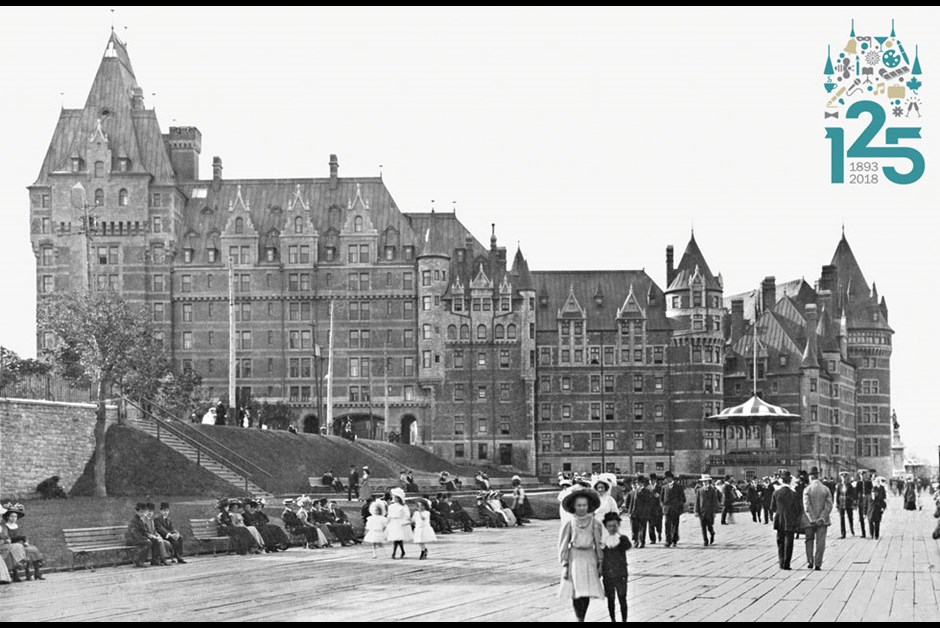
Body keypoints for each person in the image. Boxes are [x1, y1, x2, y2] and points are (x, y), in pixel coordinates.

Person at [558, 486, 605, 623]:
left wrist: (600, 562)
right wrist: (565, 563)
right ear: (574, 506)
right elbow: (563, 543)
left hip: (589, 557)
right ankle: (579, 617)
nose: (582, 508)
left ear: (588, 506)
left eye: (584, 505)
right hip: (575, 557)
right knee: (576, 590)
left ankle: (583, 616)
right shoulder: (570, 522)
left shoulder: (595, 523)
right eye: (579, 505)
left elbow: (599, 543)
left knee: (586, 591)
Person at [601, 511, 631, 623]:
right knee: (610, 599)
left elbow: (628, 546)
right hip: (607, 574)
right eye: (610, 526)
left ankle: (624, 620)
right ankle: (612, 619)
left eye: (615, 525)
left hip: (621, 574)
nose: (612, 528)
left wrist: (618, 535)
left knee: (622, 598)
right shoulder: (603, 541)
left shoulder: (622, 539)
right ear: (605, 526)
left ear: (618, 525)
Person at [802, 467, 833, 571]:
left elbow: (807, 506)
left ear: (810, 477)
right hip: (823, 521)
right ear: (818, 476)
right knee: (821, 541)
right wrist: (822, 518)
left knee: (809, 540)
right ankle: (818, 563)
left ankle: (810, 561)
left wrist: (813, 518)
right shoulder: (825, 489)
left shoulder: (807, 489)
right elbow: (829, 505)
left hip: (809, 521)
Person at [772, 470, 801, 570]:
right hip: (790, 520)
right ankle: (786, 563)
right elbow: (798, 509)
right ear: (790, 481)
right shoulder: (794, 494)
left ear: (781, 481)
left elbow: (772, 508)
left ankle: (781, 562)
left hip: (779, 520)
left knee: (780, 541)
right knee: (789, 542)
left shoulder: (776, 493)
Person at [125, 502, 155, 568]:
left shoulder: (140, 520)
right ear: (136, 511)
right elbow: (134, 534)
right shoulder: (134, 521)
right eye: (141, 512)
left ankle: (155, 559)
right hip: (132, 540)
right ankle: (140, 561)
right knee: (148, 543)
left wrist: (149, 536)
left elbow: (143, 531)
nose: (143, 514)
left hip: (138, 538)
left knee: (152, 540)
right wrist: (145, 538)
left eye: (144, 512)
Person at [629, 476, 655, 548]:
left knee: (642, 528)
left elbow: (649, 503)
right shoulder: (634, 491)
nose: (637, 484)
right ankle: (635, 541)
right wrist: (630, 512)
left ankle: (642, 541)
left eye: (639, 483)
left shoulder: (647, 492)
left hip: (643, 513)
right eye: (636, 483)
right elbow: (632, 502)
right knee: (635, 528)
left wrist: (647, 512)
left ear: (642, 483)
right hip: (635, 512)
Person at [662, 471, 686, 547]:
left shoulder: (678, 487)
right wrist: (663, 506)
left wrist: (677, 505)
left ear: (670, 478)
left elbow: (683, 499)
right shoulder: (664, 487)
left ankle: (674, 540)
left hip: (675, 509)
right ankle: (667, 541)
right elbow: (661, 499)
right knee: (667, 525)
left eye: (666, 478)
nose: (665, 480)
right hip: (667, 510)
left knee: (675, 525)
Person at [386, 488, 412, 559]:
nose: (394, 498)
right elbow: (389, 515)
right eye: (394, 497)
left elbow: (407, 515)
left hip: (399, 522)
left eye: (396, 497)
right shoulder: (391, 506)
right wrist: (386, 523)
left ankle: (394, 553)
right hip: (393, 523)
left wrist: (406, 522)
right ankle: (401, 551)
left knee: (398, 538)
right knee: (396, 538)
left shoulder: (403, 507)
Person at [695, 474, 720, 547]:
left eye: (706, 481)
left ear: (709, 482)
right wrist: (696, 511)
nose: (704, 483)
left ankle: (712, 533)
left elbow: (715, 501)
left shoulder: (712, 490)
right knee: (703, 527)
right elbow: (697, 501)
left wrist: (715, 511)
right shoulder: (699, 490)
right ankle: (705, 540)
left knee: (709, 526)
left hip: (710, 511)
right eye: (703, 482)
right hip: (702, 511)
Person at [836, 471, 856, 538]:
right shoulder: (839, 486)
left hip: (848, 503)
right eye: (842, 477)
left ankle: (852, 530)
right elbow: (837, 495)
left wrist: (852, 502)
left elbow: (853, 494)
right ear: (841, 478)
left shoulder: (849, 485)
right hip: (841, 503)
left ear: (847, 478)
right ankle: (843, 533)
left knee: (850, 517)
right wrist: (837, 504)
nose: (844, 479)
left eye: (845, 477)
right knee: (842, 519)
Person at [856, 470, 873, 538]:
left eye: (863, 475)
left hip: (868, 501)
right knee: (861, 518)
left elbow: (871, 491)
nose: (862, 476)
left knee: (869, 516)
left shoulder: (869, 482)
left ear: (866, 475)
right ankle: (863, 533)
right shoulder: (858, 483)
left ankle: (871, 533)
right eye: (861, 475)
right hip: (861, 502)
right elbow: (856, 492)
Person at [648, 474, 664, 544]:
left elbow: (663, 497)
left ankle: (659, 533)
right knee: (650, 525)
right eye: (650, 480)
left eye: (653, 480)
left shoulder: (660, 488)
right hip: (650, 509)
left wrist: (659, 496)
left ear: (655, 480)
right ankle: (652, 539)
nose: (651, 481)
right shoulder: (647, 488)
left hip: (658, 509)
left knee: (658, 523)